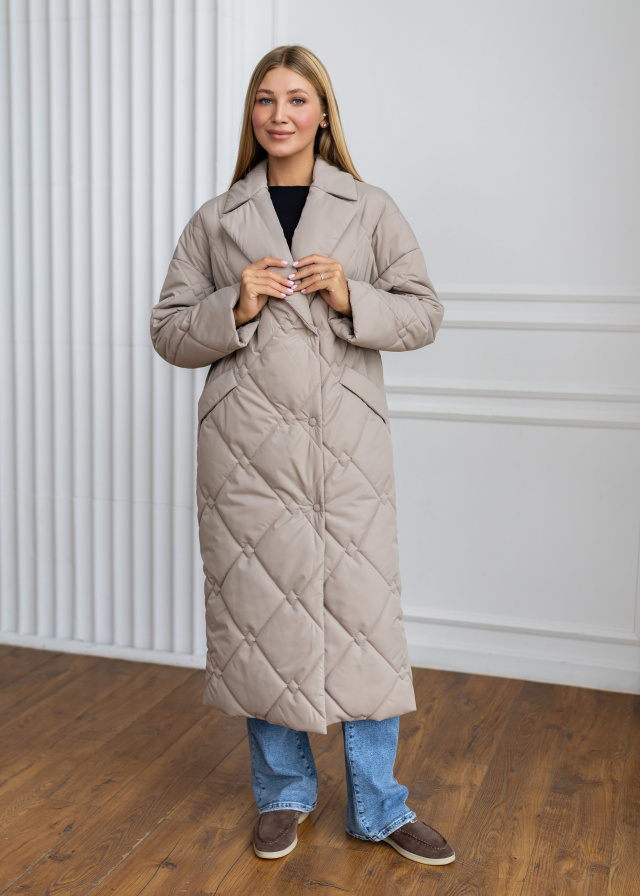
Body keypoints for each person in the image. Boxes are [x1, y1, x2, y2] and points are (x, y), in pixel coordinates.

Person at [150, 44, 454, 867]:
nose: (278, 114)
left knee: (364, 624)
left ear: (323, 114)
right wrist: (235, 303)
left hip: (345, 453)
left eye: (295, 99)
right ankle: (283, 793)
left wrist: (352, 294)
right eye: (264, 99)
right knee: (262, 621)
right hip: (246, 455)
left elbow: (424, 313)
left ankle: (379, 806)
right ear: (251, 114)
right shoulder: (215, 220)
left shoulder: (370, 208)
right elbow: (168, 331)